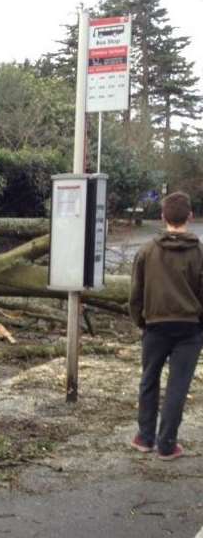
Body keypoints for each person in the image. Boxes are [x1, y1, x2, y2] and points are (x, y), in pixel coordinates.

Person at [129, 191, 203, 461]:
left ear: (162, 217)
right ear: (190, 217)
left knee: (149, 380)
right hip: (189, 330)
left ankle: (144, 438)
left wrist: (141, 321)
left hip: (155, 326)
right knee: (177, 386)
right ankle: (167, 444)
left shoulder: (146, 251)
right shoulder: (199, 253)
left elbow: (135, 294)